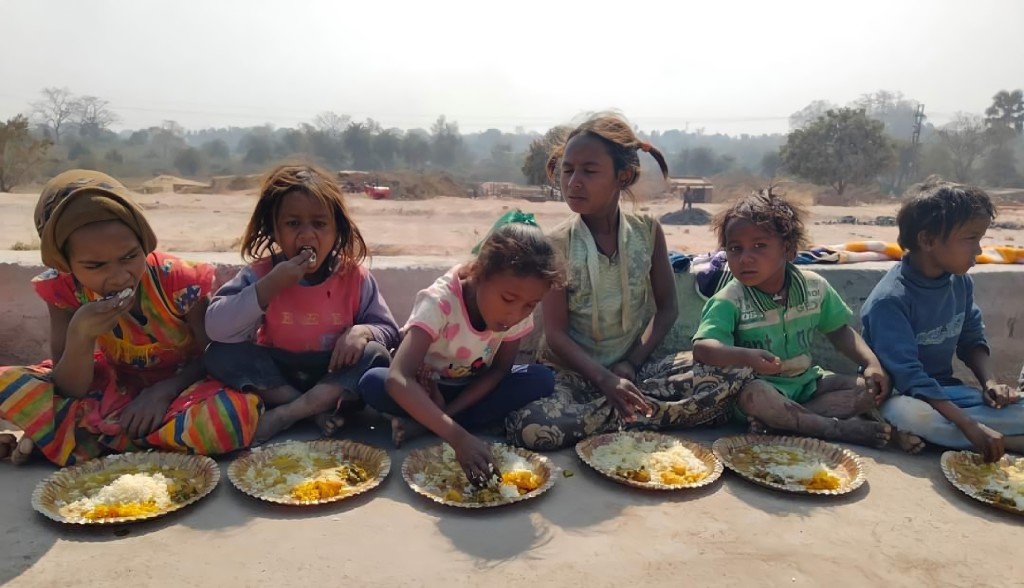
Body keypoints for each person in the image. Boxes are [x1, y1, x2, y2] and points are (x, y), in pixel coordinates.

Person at [506, 113, 752, 450]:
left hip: (634, 370)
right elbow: (557, 336)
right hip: (571, 376)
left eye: (589, 171)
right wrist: (604, 379)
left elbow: (667, 309)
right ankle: (637, 412)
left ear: (623, 176)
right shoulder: (556, 243)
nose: (574, 181)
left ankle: (616, 413)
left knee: (738, 372)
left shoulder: (648, 231)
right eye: (568, 170)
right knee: (533, 427)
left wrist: (630, 364)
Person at [0, 170, 260, 466]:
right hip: (113, 387)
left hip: (183, 388)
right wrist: (81, 335)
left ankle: (84, 439)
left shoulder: (177, 280)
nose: (120, 276)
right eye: (95, 265)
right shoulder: (63, 290)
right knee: (8, 383)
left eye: (129, 257)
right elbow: (69, 388)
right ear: (66, 263)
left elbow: (215, 357)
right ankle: (137, 438)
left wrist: (163, 391)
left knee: (232, 415)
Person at [204, 164, 398, 445]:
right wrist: (270, 286)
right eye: (293, 224)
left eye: (319, 224)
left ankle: (285, 415)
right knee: (217, 353)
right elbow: (216, 327)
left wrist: (362, 332)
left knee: (375, 353)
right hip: (277, 375)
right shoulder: (260, 274)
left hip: (334, 376)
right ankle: (308, 411)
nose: (307, 236)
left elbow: (389, 330)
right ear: (275, 230)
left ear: (336, 231)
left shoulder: (353, 277)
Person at [692, 189, 893, 448]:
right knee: (756, 396)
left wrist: (871, 363)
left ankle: (786, 423)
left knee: (870, 388)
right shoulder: (730, 299)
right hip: (760, 389)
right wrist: (745, 357)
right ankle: (835, 429)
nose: (745, 258)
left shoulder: (813, 287)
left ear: (788, 250)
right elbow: (703, 348)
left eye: (759, 246)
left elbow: (839, 331)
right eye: (735, 248)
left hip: (807, 384)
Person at [359, 223, 559, 484]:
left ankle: (427, 424)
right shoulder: (439, 302)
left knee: (540, 378)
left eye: (530, 305)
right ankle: (444, 421)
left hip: (472, 391)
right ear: (479, 274)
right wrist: (458, 437)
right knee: (373, 381)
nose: (516, 314)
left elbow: (500, 370)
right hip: (422, 390)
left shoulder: (518, 305)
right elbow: (398, 377)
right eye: (508, 300)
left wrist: (448, 416)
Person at [861, 179, 1024, 462]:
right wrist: (968, 425)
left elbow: (972, 338)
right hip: (902, 395)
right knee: (911, 416)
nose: (979, 250)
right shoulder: (890, 300)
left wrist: (991, 384)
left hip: (949, 393)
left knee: (1014, 409)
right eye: (970, 238)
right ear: (927, 240)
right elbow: (910, 377)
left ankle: (956, 436)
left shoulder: (960, 283)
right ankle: (1003, 441)